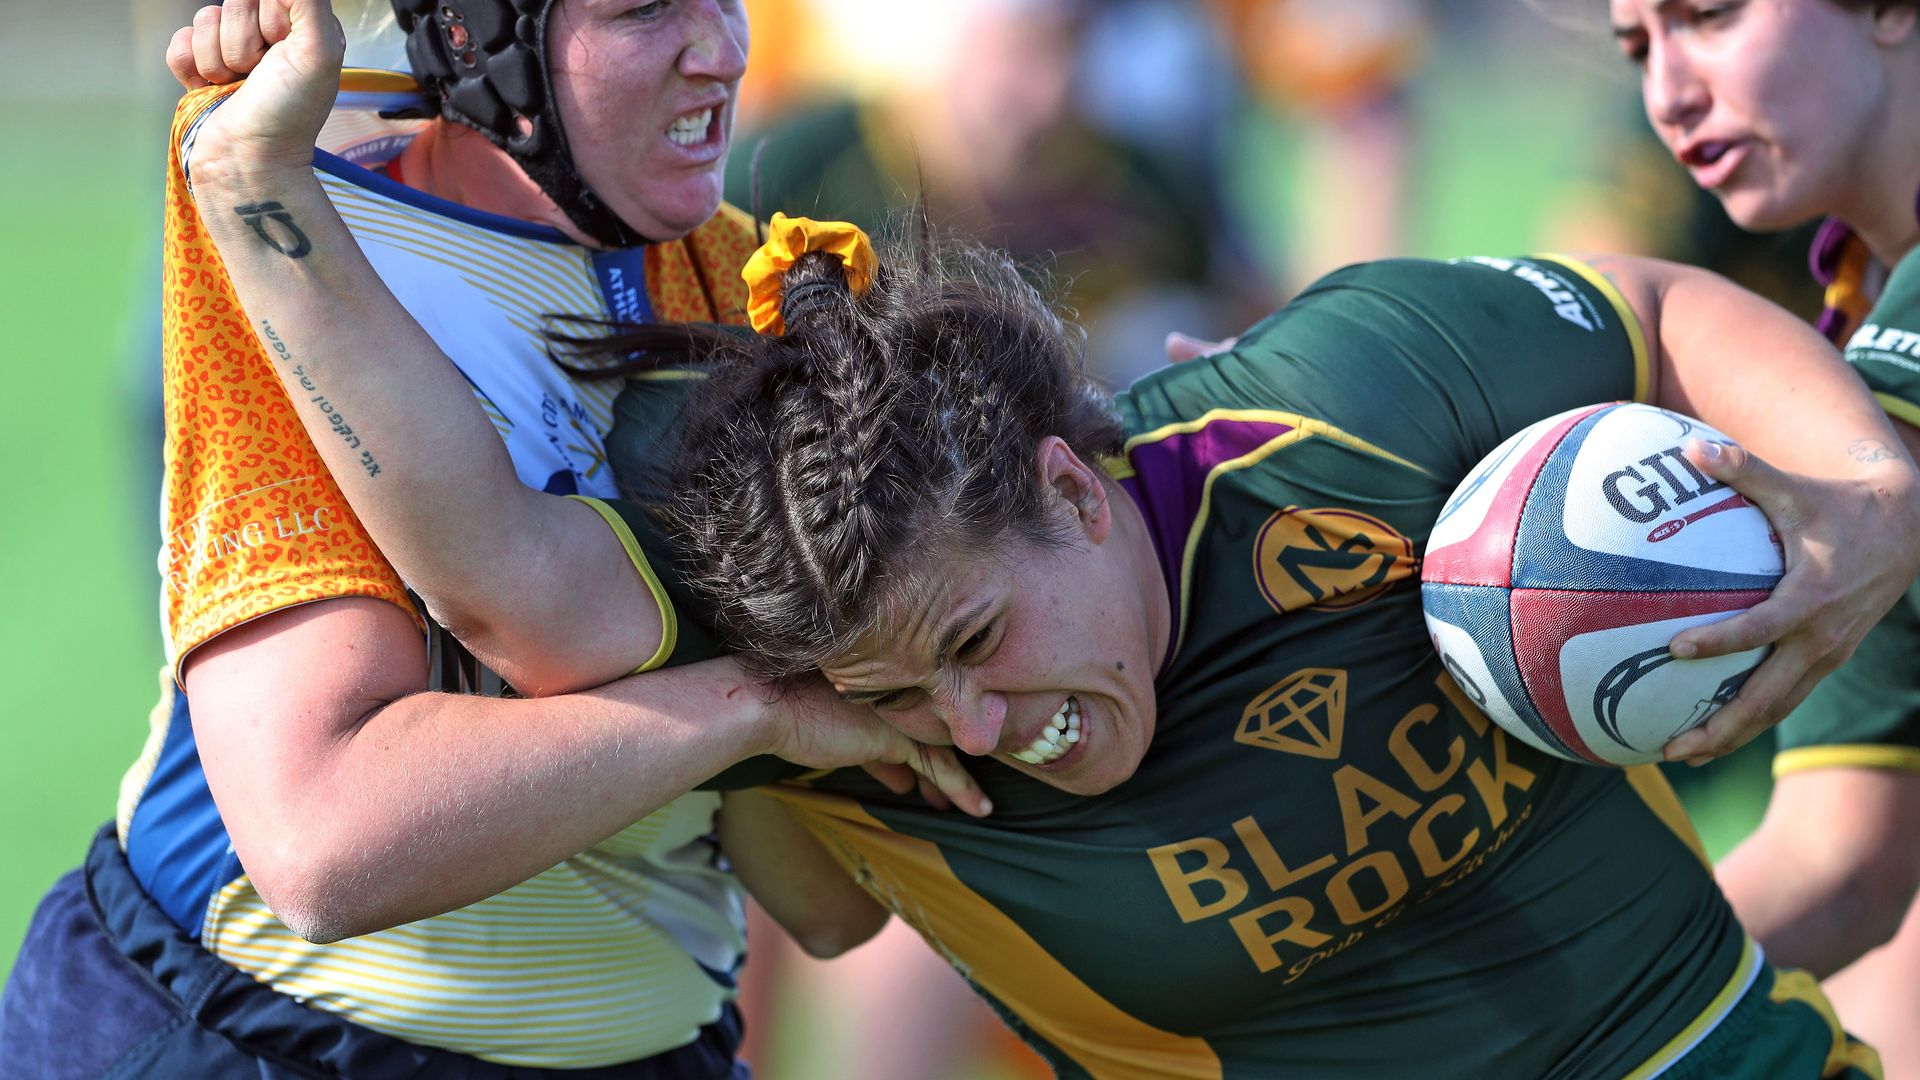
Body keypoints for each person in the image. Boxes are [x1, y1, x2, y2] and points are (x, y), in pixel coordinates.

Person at [149, 1, 1920, 1073]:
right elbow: (515, 598)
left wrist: (1865, 503)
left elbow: (1651, 307)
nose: (976, 727)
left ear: (1078, 488)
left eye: (985, 646)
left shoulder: (1342, 403)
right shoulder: (855, 687)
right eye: (909, 691)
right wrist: (253, 185)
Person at [0, 0, 988, 1075]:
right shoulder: (301, 230)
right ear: (473, 34)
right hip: (266, 1034)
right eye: (645, 8)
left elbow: (833, 906)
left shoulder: (766, 284)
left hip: (662, 1050)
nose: (722, 49)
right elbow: (324, 845)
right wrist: (749, 709)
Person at [1606, 1, 1920, 1072]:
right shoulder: (1857, 359)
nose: (1669, 93)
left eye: (1709, 14)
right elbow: (1846, 853)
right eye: (1638, 45)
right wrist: (1550, 1024)